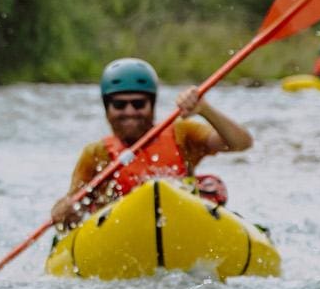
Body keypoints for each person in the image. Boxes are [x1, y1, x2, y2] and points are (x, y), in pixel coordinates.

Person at [49, 57, 253, 228]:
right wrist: (64, 210)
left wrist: (204, 110)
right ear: (107, 108)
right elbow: (71, 211)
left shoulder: (183, 134)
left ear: (152, 105)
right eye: (119, 105)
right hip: (121, 235)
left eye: (138, 104)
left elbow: (241, 143)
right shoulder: (96, 154)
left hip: (181, 227)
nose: (129, 112)